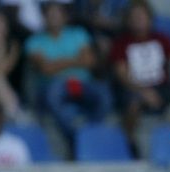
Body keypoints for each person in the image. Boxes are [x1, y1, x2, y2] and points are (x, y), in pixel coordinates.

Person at [25, 1, 112, 143]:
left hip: (82, 83)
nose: (54, 17)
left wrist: (57, 63)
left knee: (104, 93)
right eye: (50, 14)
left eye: (57, 14)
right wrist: (75, 60)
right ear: (44, 17)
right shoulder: (34, 41)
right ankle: (74, 138)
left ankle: (90, 132)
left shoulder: (78, 33)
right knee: (54, 94)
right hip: (55, 86)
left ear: (65, 17)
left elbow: (89, 62)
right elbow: (47, 69)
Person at [109, 0, 170, 144]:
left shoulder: (162, 39)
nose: (139, 20)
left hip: (162, 87)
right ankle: (130, 144)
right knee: (132, 104)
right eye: (135, 17)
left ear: (149, 18)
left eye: (142, 16)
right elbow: (122, 75)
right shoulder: (121, 44)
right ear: (128, 20)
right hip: (134, 89)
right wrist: (143, 91)